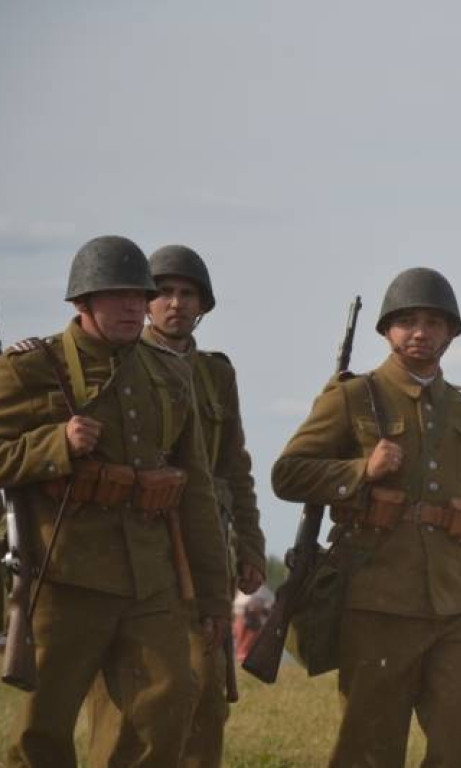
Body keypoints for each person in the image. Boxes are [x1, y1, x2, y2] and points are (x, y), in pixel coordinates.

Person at [271, 267, 461, 768]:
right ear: (387, 330)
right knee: (370, 749)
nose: (420, 332)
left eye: (432, 321)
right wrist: (362, 470)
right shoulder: (352, 397)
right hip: (376, 600)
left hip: (457, 601)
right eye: (406, 321)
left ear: (451, 332)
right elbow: (288, 474)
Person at [0, 235, 230, 768]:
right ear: (82, 302)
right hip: (64, 572)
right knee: (44, 729)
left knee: (166, 703)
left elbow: (194, 490)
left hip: (150, 578)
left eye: (137, 296)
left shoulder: (168, 375)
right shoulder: (31, 368)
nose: (133, 307)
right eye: (118, 296)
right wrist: (54, 445)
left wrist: (213, 598)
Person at [86, 244, 268, 768]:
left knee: (206, 699)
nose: (176, 303)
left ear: (203, 305)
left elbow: (234, 466)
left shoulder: (216, 374)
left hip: (206, 547)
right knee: (137, 697)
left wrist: (250, 545)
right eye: (164, 291)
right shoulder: (119, 362)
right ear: (145, 300)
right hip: (137, 546)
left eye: (188, 294)